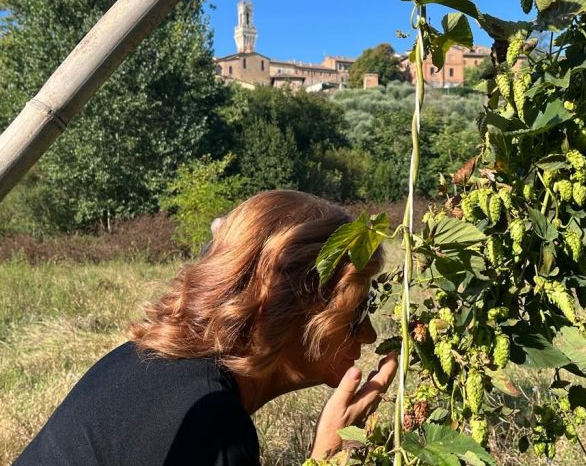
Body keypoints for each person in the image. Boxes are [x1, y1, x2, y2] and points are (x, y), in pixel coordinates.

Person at [13, 190, 398, 465]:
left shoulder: (143, 361)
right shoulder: (213, 432)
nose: (368, 335)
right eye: (355, 313)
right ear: (287, 310)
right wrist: (325, 459)